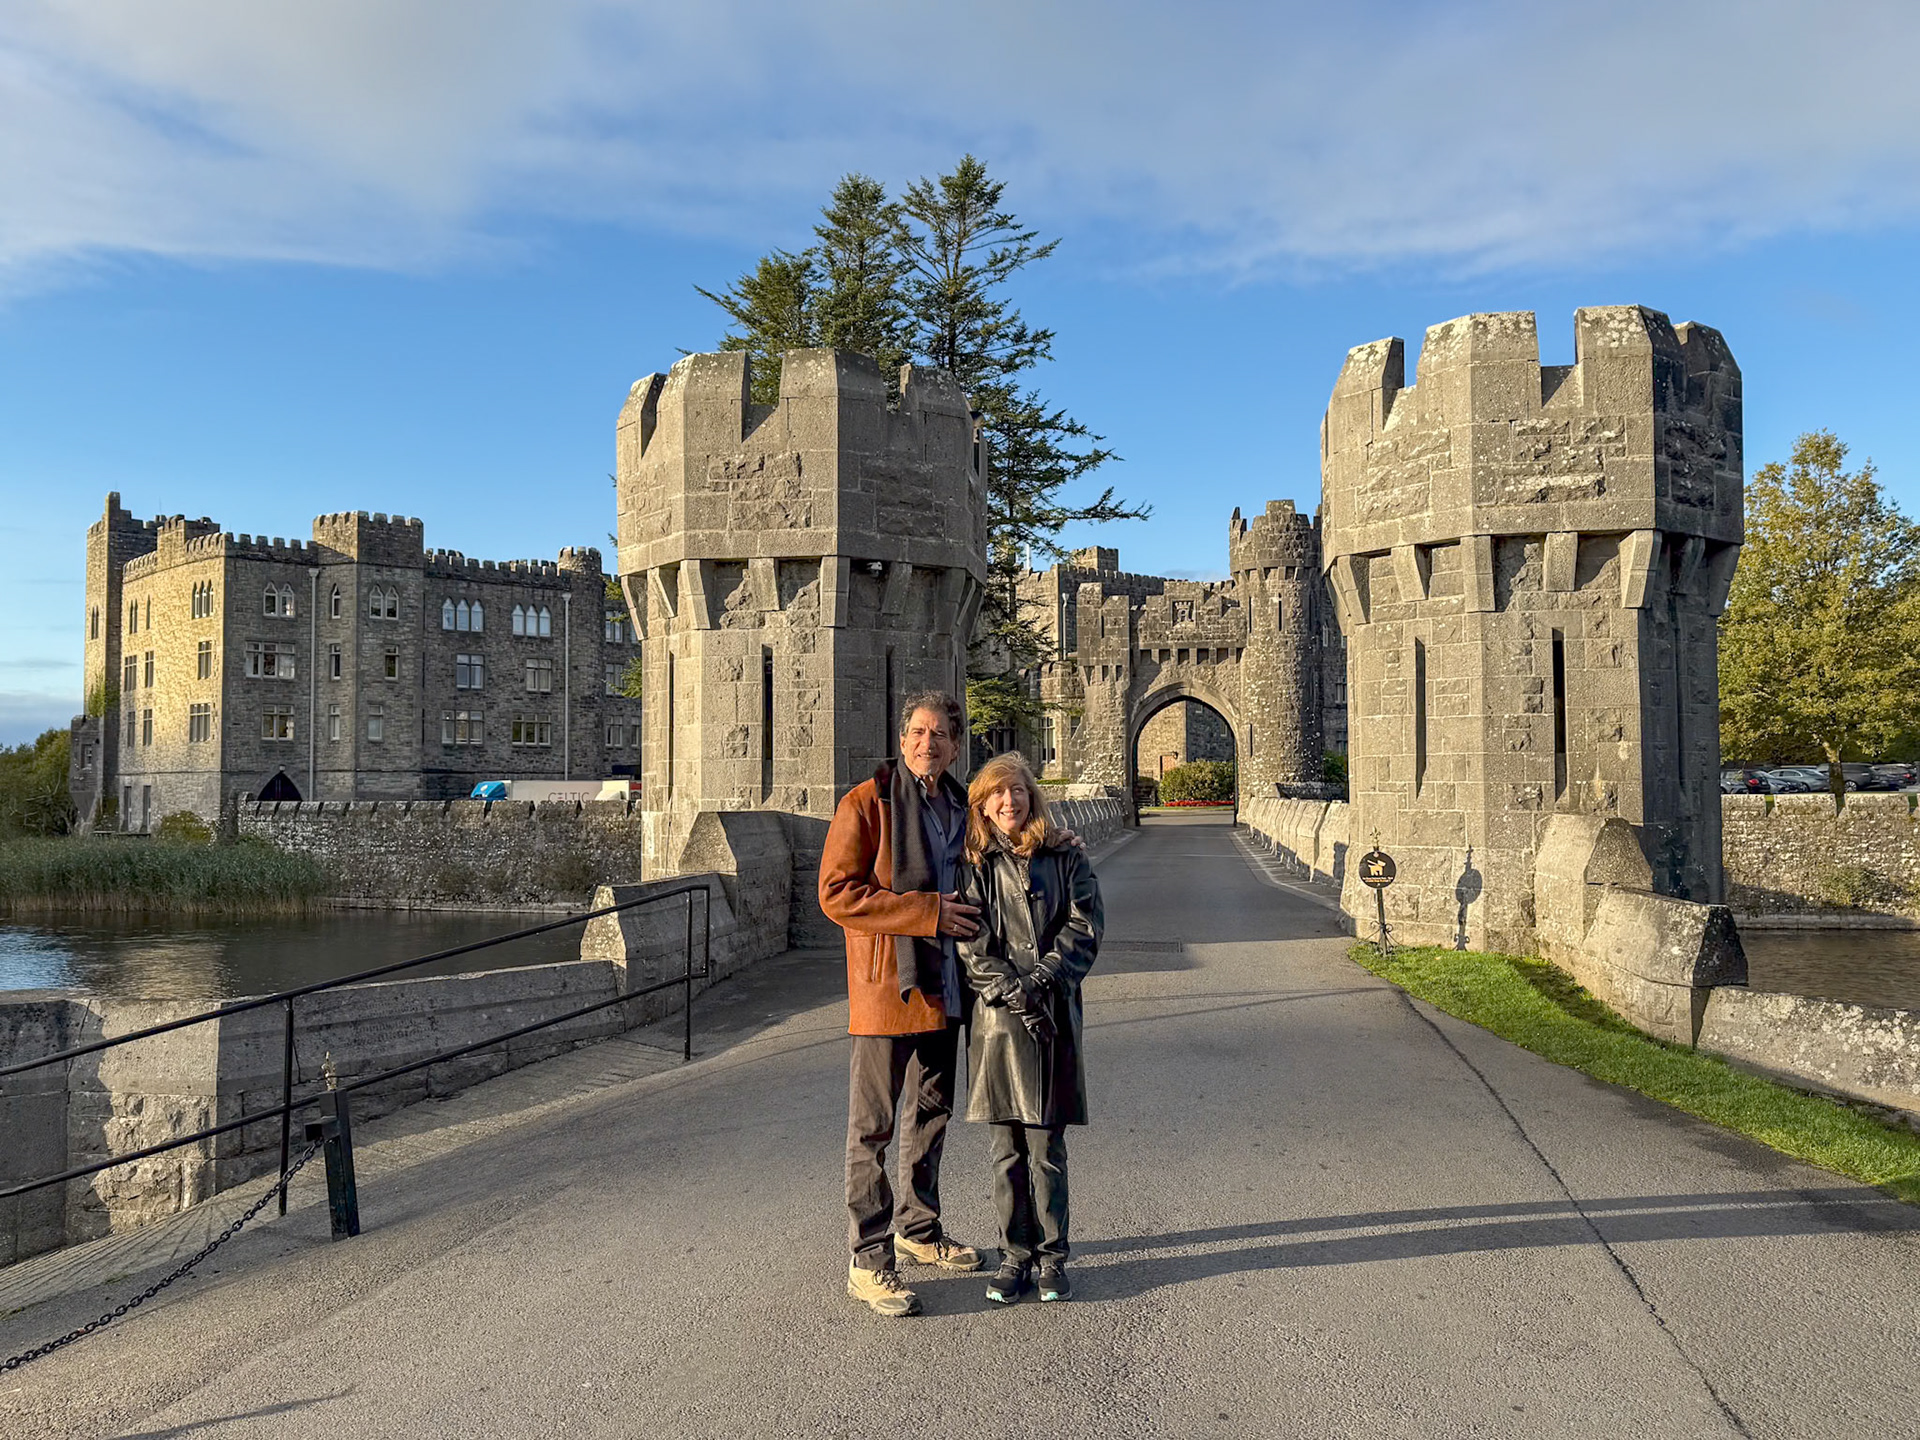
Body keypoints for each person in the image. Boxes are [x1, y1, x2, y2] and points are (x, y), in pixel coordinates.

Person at [819, 691, 987, 1317]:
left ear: (956, 745)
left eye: (940, 734)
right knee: (874, 1127)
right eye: (918, 732)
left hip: (948, 983)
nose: (927, 743)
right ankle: (869, 1260)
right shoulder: (868, 802)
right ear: (902, 738)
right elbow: (837, 893)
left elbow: (1011, 850)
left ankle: (919, 1229)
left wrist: (1060, 845)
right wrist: (927, 912)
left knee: (933, 1115)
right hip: (888, 986)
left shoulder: (966, 806)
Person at [957, 751, 1102, 1305]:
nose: (1009, 801)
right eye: (998, 792)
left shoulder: (1065, 856)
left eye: (1018, 790)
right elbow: (971, 943)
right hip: (998, 1024)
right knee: (1006, 1151)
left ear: (1032, 797)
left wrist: (1041, 979)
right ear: (982, 804)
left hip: (1051, 1015)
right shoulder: (972, 864)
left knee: (1046, 1149)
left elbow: (1085, 927)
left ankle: (1052, 1256)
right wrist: (1011, 989)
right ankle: (1014, 1255)